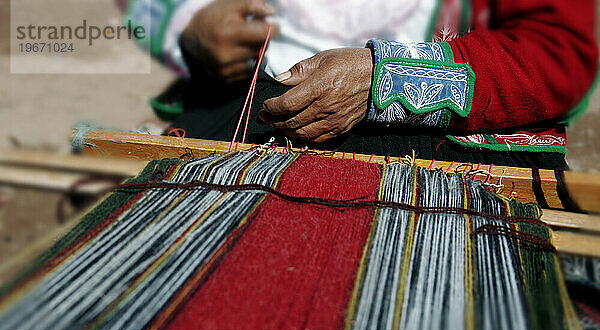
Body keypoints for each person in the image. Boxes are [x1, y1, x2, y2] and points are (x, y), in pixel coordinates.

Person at [122, 0, 598, 169]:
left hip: (426, 140)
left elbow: (559, 51)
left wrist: (386, 77)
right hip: (245, 94)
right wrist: (193, 22)